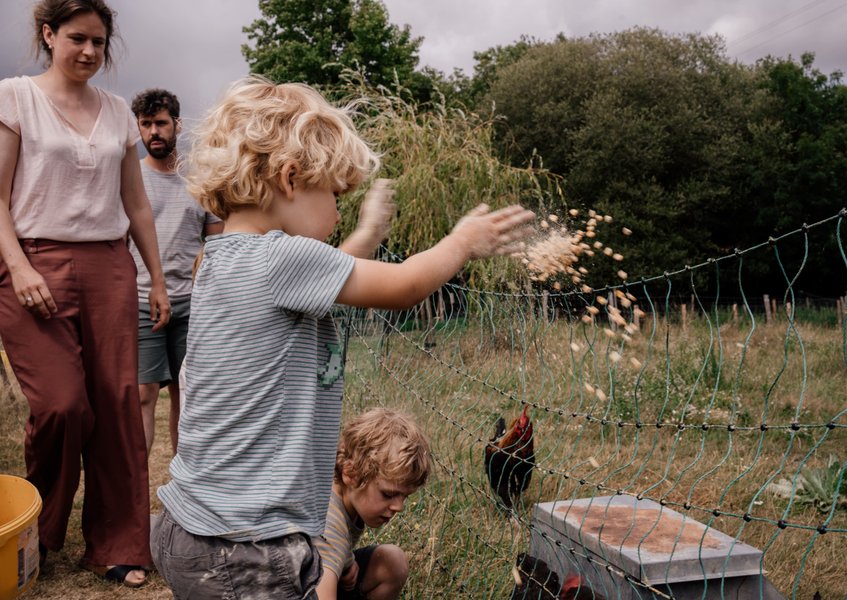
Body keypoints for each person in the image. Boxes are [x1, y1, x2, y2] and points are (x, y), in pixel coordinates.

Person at [149, 75, 533, 599]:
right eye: (334, 194)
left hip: (191, 526)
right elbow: (404, 286)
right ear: (289, 179)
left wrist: (367, 235)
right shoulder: (279, 257)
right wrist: (462, 242)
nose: (336, 212)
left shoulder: (217, 259)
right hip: (248, 544)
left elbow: (323, 278)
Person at [0, 0, 170, 589]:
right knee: (61, 405)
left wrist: (155, 278)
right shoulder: (15, 97)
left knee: (118, 407)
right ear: (49, 35)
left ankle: (117, 543)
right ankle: (38, 533)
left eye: (99, 42)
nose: (90, 52)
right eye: (78, 38)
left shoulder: (119, 112)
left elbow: (136, 204)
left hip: (109, 268)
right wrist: (18, 267)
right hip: (32, 264)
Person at [129, 88, 223, 454]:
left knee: (186, 392)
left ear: (177, 125)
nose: (154, 131)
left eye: (161, 123)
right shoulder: (130, 178)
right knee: (143, 393)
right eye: (146, 124)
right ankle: (137, 483)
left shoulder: (199, 182)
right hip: (141, 300)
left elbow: (217, 243)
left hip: (191, 302)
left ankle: (184, 476)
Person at [315, 408, 431, 600]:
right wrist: (337, 562)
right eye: (388, 494)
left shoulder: (337, 491)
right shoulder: (328, 531)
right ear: (351, 474)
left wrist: (346, 560)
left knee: (392, 562)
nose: (399, 507)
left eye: (405, 497)